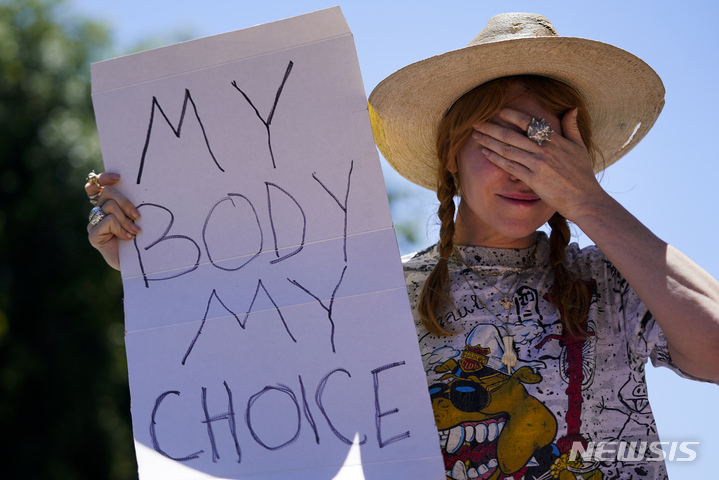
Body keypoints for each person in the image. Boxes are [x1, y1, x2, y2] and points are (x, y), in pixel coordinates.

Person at [87, 12, 718, 480]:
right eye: (504, 139)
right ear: (451, 155)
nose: (529, 167)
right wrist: (148, 263)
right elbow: (254, 397)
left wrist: (590, 203)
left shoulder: (612, 282)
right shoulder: (374, 294)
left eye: (548, 143)